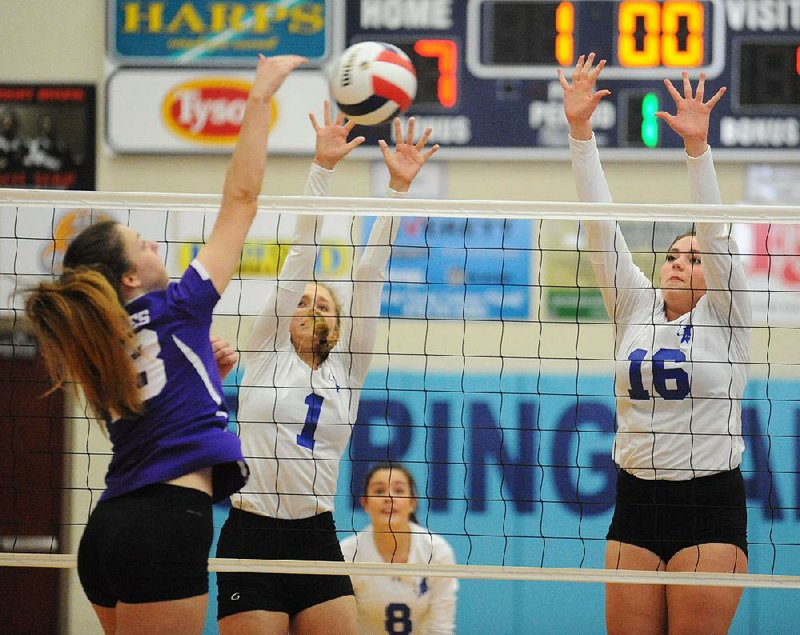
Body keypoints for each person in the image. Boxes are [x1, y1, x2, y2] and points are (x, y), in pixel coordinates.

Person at [23, 54, 307, 635]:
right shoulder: (179, 306)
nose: (155, 245)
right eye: (143, 244)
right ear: (129, 279)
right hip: (164, 523)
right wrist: (259, 100)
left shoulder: (96, 339)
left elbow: (160, 406)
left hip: (109, 530)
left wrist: (209, 373)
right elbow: (242, 198)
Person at [215, 109, 440, 634]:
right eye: (304, 301)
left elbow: (368, 271)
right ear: (286, 312)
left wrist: (398, 189)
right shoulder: (265, 351)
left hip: (317, 537)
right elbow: (302, 253)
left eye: (325, 303)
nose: (313, 307)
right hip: (251, 537)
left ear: (340, 324)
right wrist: (322, 167)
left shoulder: (348, 369)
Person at [558, 53, 751, 634]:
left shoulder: (727, 314)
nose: (677, 264)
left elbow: (713, 232)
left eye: (693, 260)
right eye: (672, 255)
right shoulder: (634, 307)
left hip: (708, 505)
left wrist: (698, 151)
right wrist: (579, 133)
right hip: (635, 501)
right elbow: (600, 225)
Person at [340, 463, 458, 635]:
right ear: (364, 502)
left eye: (399, 491)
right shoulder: (348, 553)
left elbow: (441, 628)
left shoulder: (436, 551)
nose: (389, 497)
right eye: (379, 491)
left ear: (412, 503)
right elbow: (342, 626)